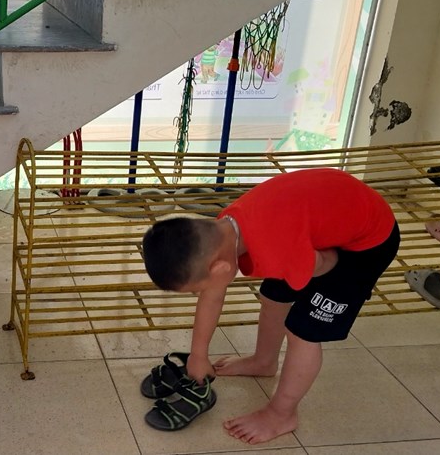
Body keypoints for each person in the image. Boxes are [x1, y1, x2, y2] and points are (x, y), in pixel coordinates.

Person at [141, 168, 399, 444]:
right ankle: (263, 362)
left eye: (196, 289)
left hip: (365, 245)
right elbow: (214, 294)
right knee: (273, 295)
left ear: (220, 268)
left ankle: (282, 414)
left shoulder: (281, 250)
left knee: (303, 331)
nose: (200, 294)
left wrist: (317, 270)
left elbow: (324, 263)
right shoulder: (223, 229)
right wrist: (198, 355)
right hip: (322, 220)